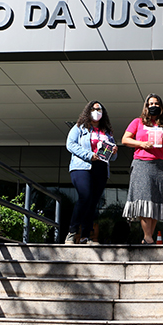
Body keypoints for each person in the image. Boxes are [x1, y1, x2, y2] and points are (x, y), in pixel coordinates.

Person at [122, 93, 163, 244]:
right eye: (150, 104)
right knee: (144, 199)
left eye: (156, 104)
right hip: (142, 164)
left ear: (161, 107)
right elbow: (125, 139)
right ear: (146, 107)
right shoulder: (137, 122)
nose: (153, 106)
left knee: (156, 201)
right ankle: (148, 237)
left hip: (160, 166)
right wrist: (142, 144)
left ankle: (148, 238)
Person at [65, 100, 117, 245]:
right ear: (88, 111)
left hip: (101, 169)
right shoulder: (79, 128)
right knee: (85, 196)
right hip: (82, 167)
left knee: (93, 203)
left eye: (99, 109)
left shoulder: (107, 132)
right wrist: (89, 155)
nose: (96, 111)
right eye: (94, 109)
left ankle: (85, 237)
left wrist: (113, 151)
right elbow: (70, 144)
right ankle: (72, 232)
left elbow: (113, 156)